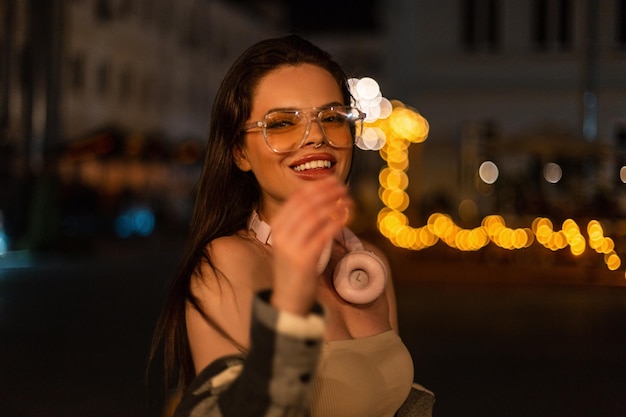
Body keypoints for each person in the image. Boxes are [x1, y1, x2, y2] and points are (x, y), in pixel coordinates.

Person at [149, 34, 434, 417]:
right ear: (239, 153)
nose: (316, 136)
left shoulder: (366, 266)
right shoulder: (226, 263)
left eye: (332, 118)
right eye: (282, 123)